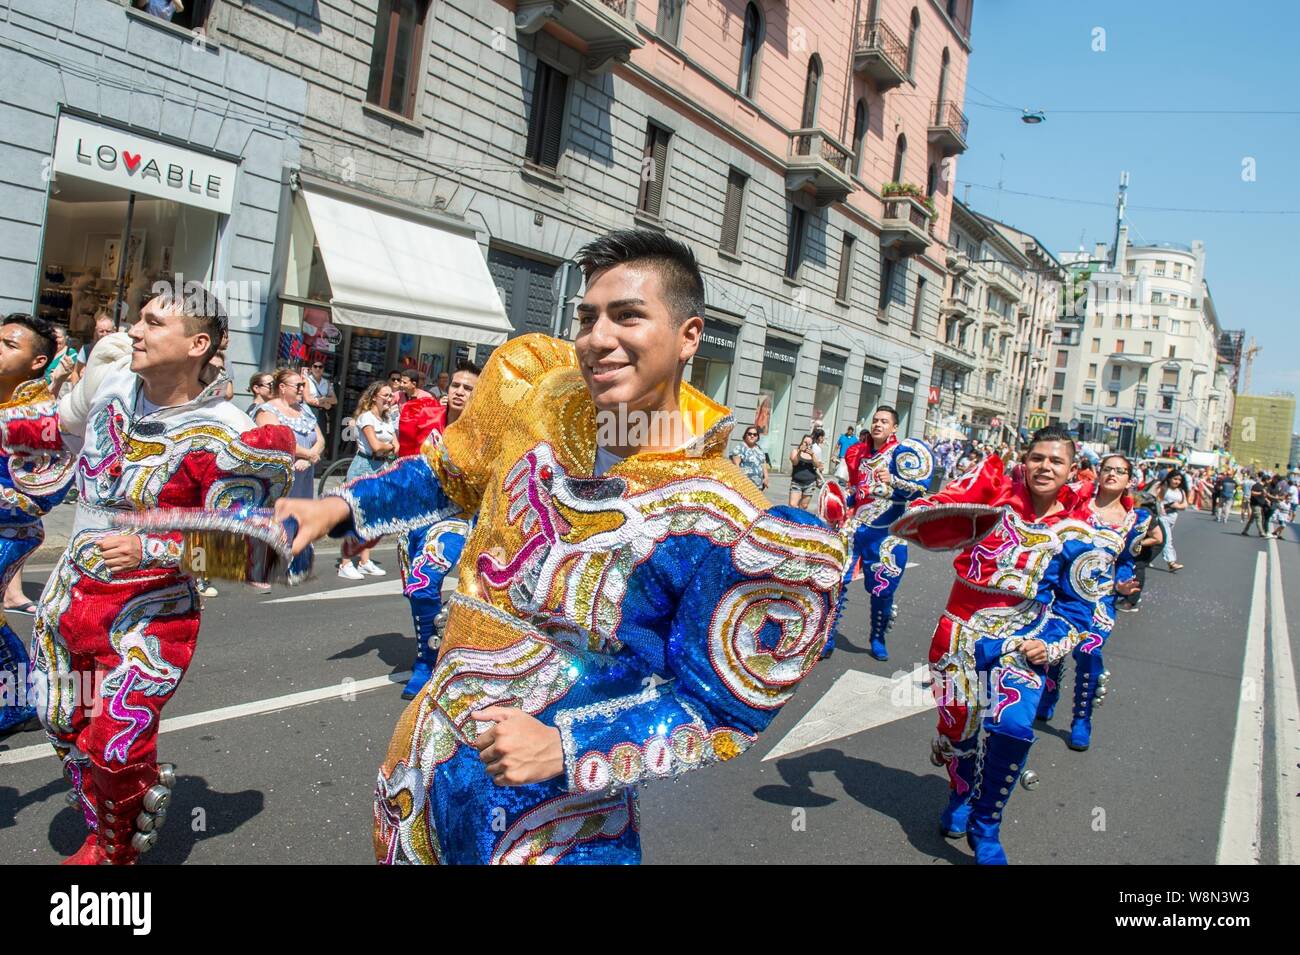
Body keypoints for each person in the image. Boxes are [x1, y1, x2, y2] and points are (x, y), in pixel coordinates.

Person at [273, 228, 846, 865]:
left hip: (557, 825)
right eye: (587, 317)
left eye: (629, 316)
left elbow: (718, 713)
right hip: (422, 772)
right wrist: (341, 506)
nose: (600, 339)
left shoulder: (723, 516)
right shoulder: (541, 397)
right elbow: (451, 472)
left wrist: (568, 746)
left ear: (689, 336)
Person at [7, 283, 294, 864]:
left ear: (198, 343)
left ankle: (116, 849)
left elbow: (258, 552)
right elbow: (49, 432)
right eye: (137, 320)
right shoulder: (110, 384)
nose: (133, 331)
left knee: (115, 740)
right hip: (67, 600)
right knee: (66, 727)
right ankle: (111, 819)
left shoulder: (235, 434)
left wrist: (153, 550)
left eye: (152, 322)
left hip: (149, 618)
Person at [891, 426, 1105, 864]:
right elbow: (930, 515)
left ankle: (986, 824)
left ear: (1071, 470)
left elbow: (1077, 609)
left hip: (1020, 642)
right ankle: (962, 793)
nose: (1045, 467)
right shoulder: (992, 495)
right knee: (958, 729)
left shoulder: (1079, 533)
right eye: (1038, 458)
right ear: (1025, 460)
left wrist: (1052, 644)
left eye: (1056, 461)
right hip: (957, 635)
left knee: (1012, 727)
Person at [1035, 453, 1148, 751]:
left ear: (1129, 479)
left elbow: (1125, 561)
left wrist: (1124, 583)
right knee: (1053, 647)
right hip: (1063, 590)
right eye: (1107, 469)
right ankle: (1048, 694)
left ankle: (1081, 719)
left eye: (1120, 471)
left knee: (1088, 651)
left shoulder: (1135, 521)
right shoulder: (1077, 503)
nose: (1112, 474)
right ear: (1098, 474)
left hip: (1099, 598)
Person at [0, 315, 74, 733]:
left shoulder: (40, 415)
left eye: (10, 344)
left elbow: (42, 496)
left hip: (11, 530)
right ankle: (21, 698)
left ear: (36, 361)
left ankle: (19, 702)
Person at [394, 358, 481, 700]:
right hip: (416, 516)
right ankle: (435, 644)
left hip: (456, 517)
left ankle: (426, 662)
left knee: (423, 584)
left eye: (468, 388)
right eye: (456, 385)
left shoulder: (484, 432)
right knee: (415, 593)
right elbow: (403, 464)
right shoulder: (423, 418)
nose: (460, 392)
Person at [841, 406, 932, 661]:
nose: (878, 424)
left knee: (882, 589)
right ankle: (827, 636)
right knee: (836, 581)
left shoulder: (902, 455)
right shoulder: (857, 452)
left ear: (894, 428)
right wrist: (840, 501)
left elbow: (914, 493)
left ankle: (877, 636)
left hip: (887, 535)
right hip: (856, 529)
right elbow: (856, 490)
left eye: (884, 421)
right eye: (875, 420)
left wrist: (892, 480)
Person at [336, 380, 397, 580]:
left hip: (381, 467)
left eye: (391, 396)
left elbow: (397, 445)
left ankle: (364, 561)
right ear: (374, 397)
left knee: (373, 517)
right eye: (385, 395)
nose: (389, 399)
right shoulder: (366, 417)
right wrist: (388, 446)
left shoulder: (387, 419)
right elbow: (376, 446)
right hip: (364, 467)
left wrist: (387, 446)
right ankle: (345, 563)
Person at [1155, 470, 1187, 571]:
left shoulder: (1181, 491)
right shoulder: (1164, 488)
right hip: (1162, 516)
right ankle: (1171, 562)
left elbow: (1185, 504)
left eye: (1179, 480)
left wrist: (1177, 506)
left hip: (1173, 516)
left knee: (1159, 540)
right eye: (1175, 479)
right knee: (1168, 539)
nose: (1177, 482)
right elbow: (1158, 501)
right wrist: (1161, 509)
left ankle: (1145, 558)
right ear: (1169, 478)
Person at [729, 424, 769, 491]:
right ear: (745, 435)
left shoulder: (759, 449)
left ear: (757, 437)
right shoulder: (740, 448)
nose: (752, 436)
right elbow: (736, 466)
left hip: (758, 486)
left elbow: (763, 464)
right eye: (749, 434)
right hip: (744, 486)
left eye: (755, 434)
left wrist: (766, 478)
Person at [788, 434, 821, 508]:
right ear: (802, 442)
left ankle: (799, 519)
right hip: (797, 482)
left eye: (809, 443)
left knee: (804, 506)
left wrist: (812, 455)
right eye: (805, 442)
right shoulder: (795, 451)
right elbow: (794, 462)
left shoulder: (813, 453)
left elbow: (817, 465)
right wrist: (800, 451)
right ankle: (791, 518)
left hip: (810, 483)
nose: (807, 445)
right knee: (792, 504)